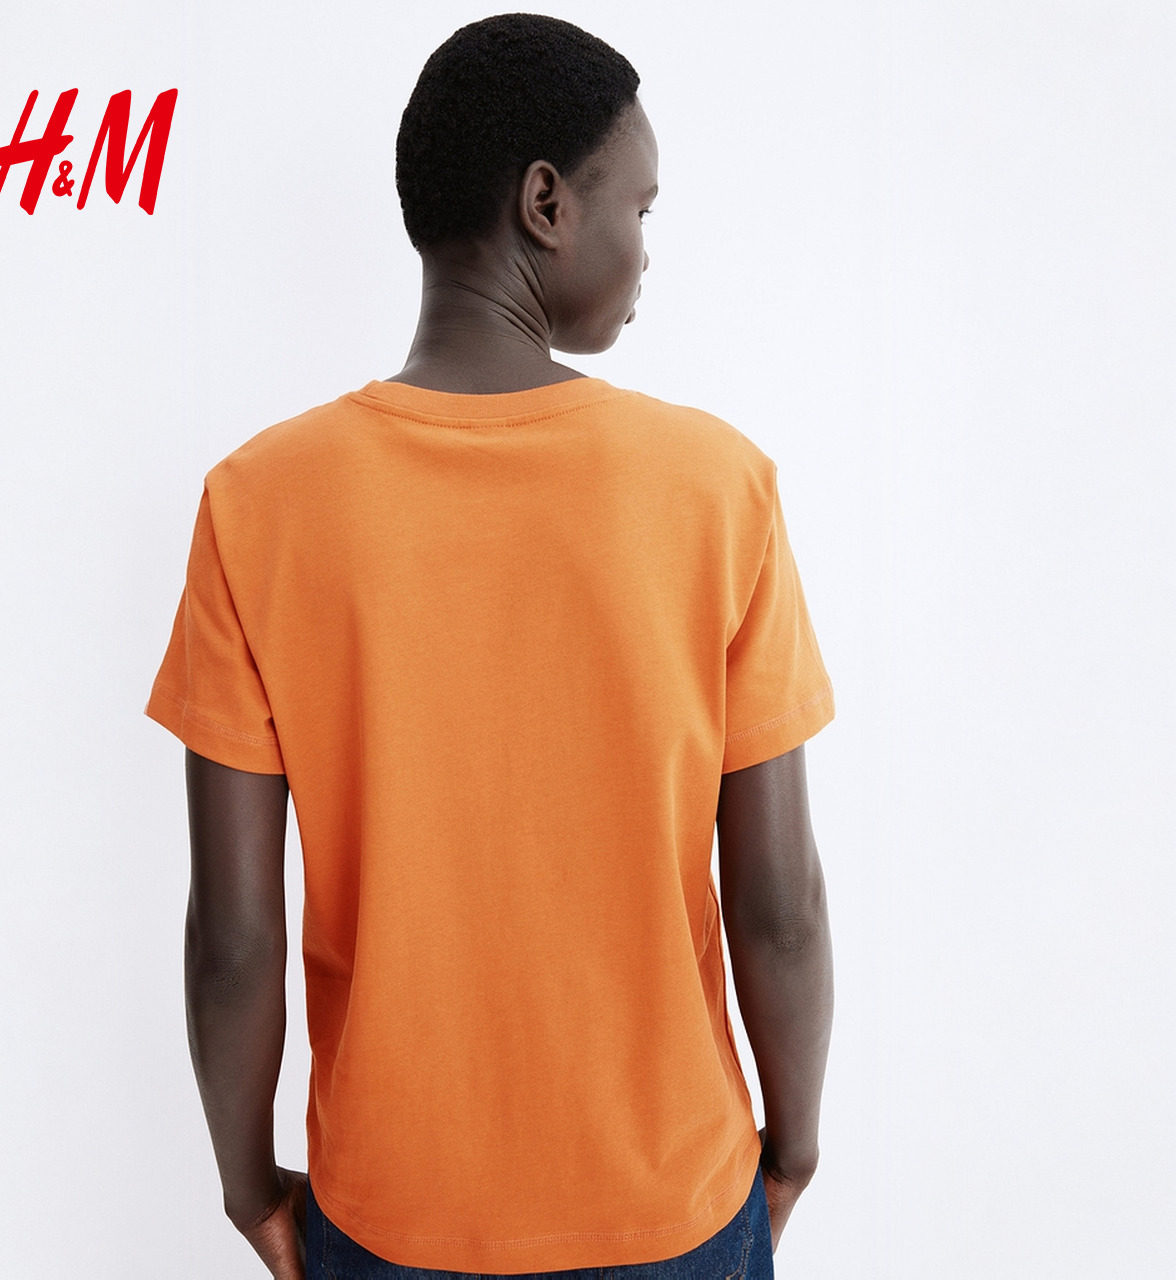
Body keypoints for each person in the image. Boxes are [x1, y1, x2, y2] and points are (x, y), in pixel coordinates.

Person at [146, 13, 835, 1279]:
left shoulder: (259, 502)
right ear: (546, 203)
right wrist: (789, 1145)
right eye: (639, 208)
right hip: (669, 1204)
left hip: (393, 1213)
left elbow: (233, 938)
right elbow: (778, 905)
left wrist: (249, 1186)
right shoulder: (715, 488)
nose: (646, 250)